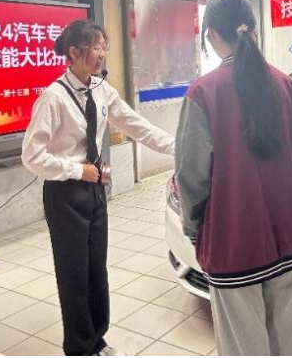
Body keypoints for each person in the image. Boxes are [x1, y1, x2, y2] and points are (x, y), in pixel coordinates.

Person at [22, 19, 175, 357]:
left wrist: (178, 147)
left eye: (104, 46)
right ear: (74, 52)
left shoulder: (103, 91)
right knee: (73, 272)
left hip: (94, 189)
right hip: (64, 194)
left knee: (96, 268)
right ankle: (79, 347)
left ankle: (98, 339)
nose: (102, 53)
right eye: (96, 47)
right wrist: (77, 170)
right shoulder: (53, 98)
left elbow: (136, 125)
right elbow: (31, 156)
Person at [175, 0, 292, 356]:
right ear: (252, 30)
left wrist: (194, 230)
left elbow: (191, 177)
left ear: (211, 35)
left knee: (244, 347)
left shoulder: (203, 94)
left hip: (233, 243)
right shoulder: (287, 86)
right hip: (289, 235)